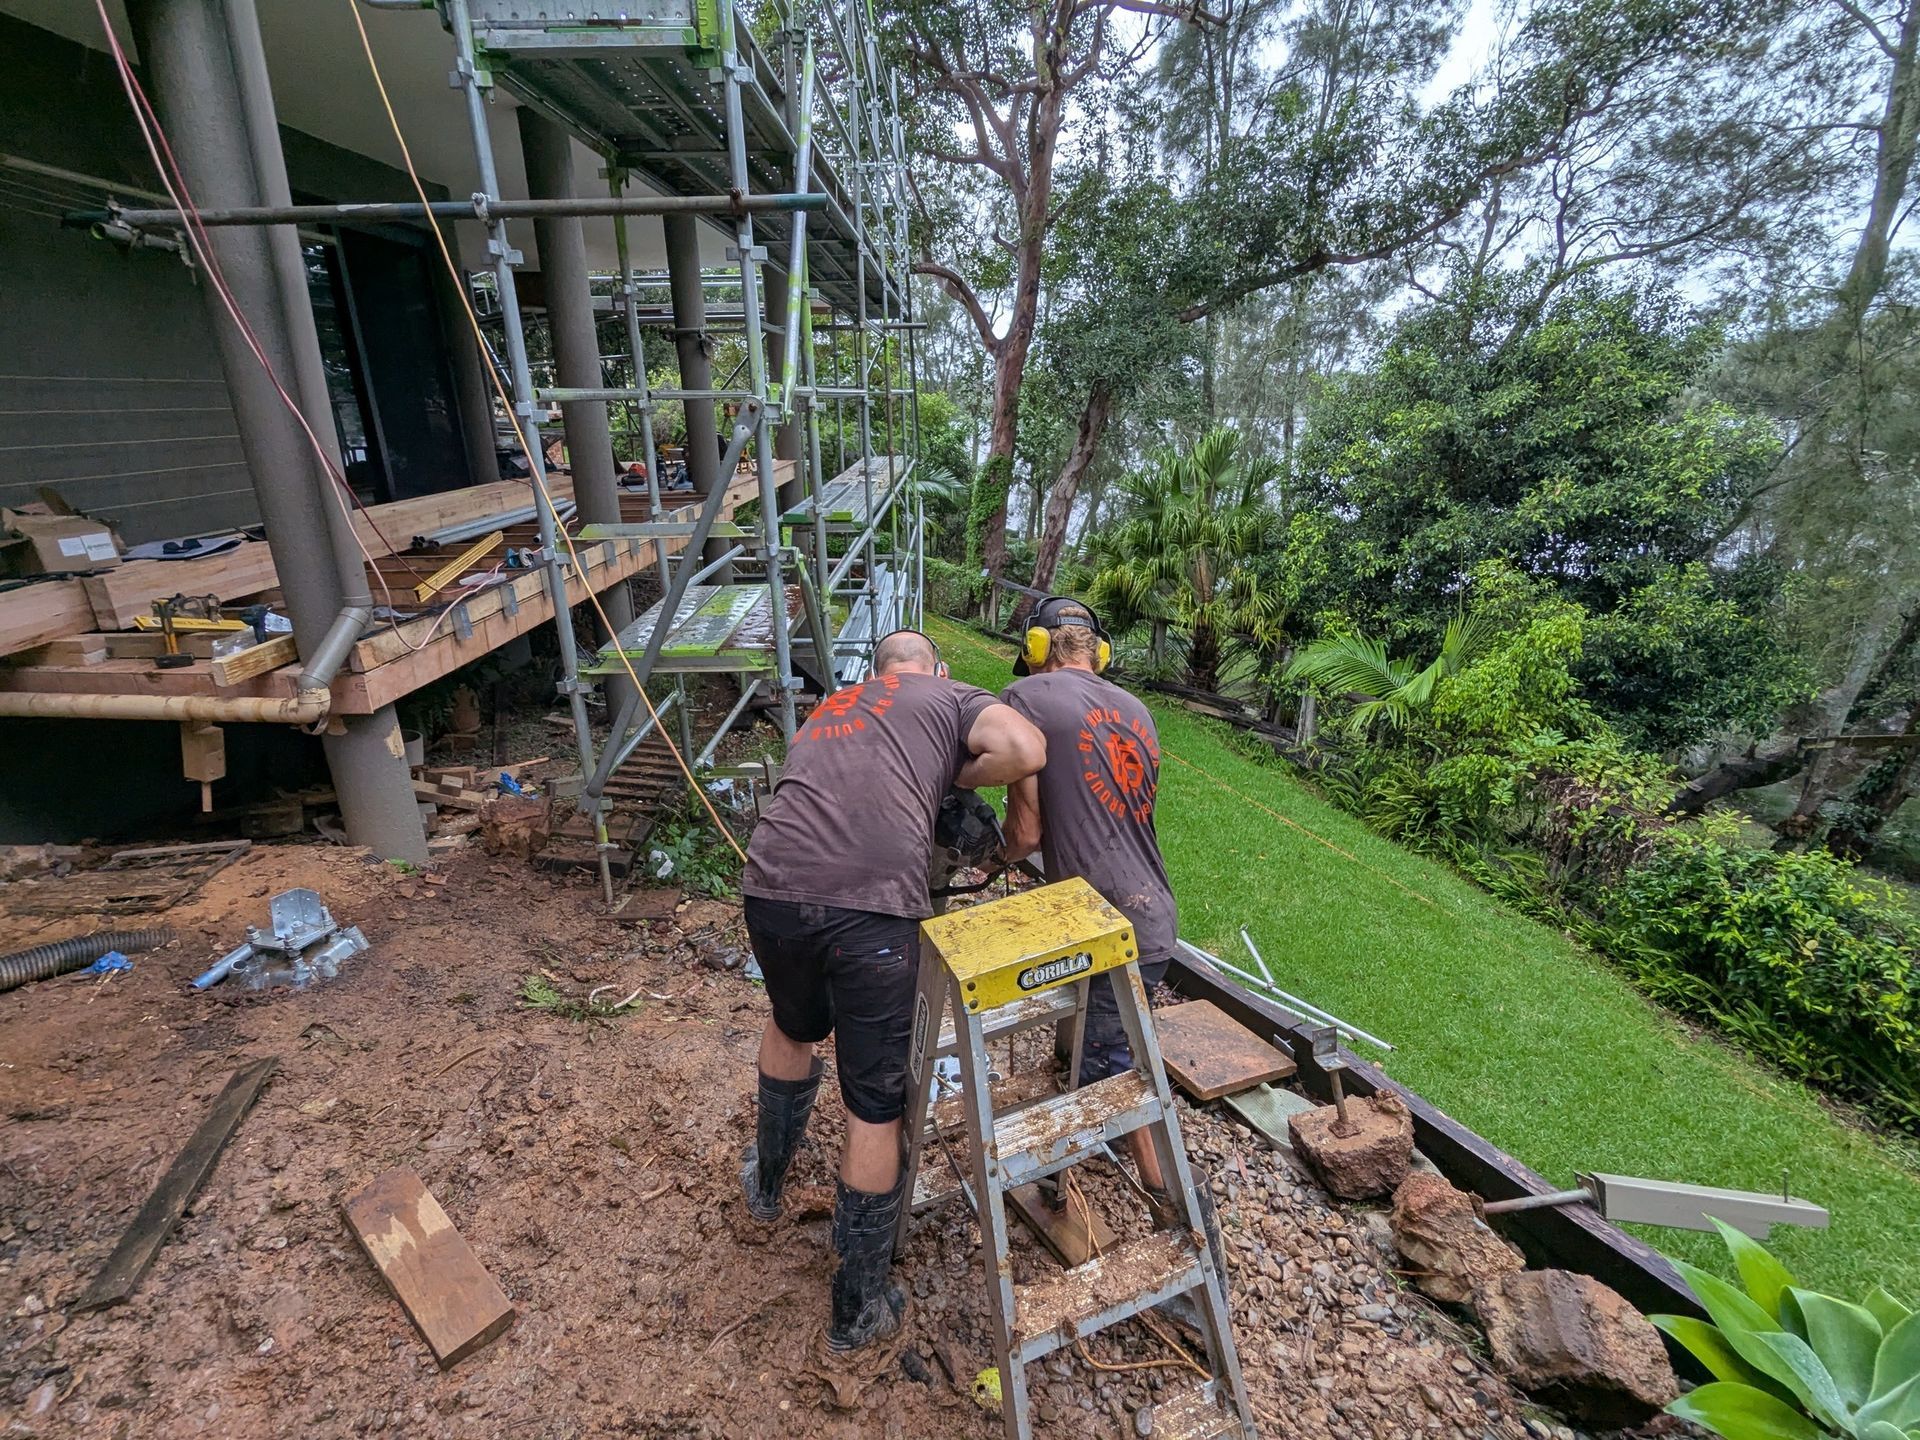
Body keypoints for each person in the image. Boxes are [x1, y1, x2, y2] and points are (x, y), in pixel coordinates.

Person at [738, 630, 1046, 1352]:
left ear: (875, 673)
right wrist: (955, 771)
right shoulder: (946, 695)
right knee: (873, 1106)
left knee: (792, 1027)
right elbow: (1026, 749)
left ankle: (766, 1189)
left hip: (771, 887)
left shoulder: (834, 707)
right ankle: (856, 1311)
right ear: (935, 671)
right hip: (871, 906)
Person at [1001, 597, 1183, 1216]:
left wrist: (990, 853)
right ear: (1097, 652)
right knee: (1113, 1044)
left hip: (1106, 920)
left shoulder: (1025, 699)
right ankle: (1113, 1165)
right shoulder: (1137, 710)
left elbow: (1025, 835)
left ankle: (1164, 1205)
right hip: (1152, 906)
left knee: (1108, 1077)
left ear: (1037, 648)